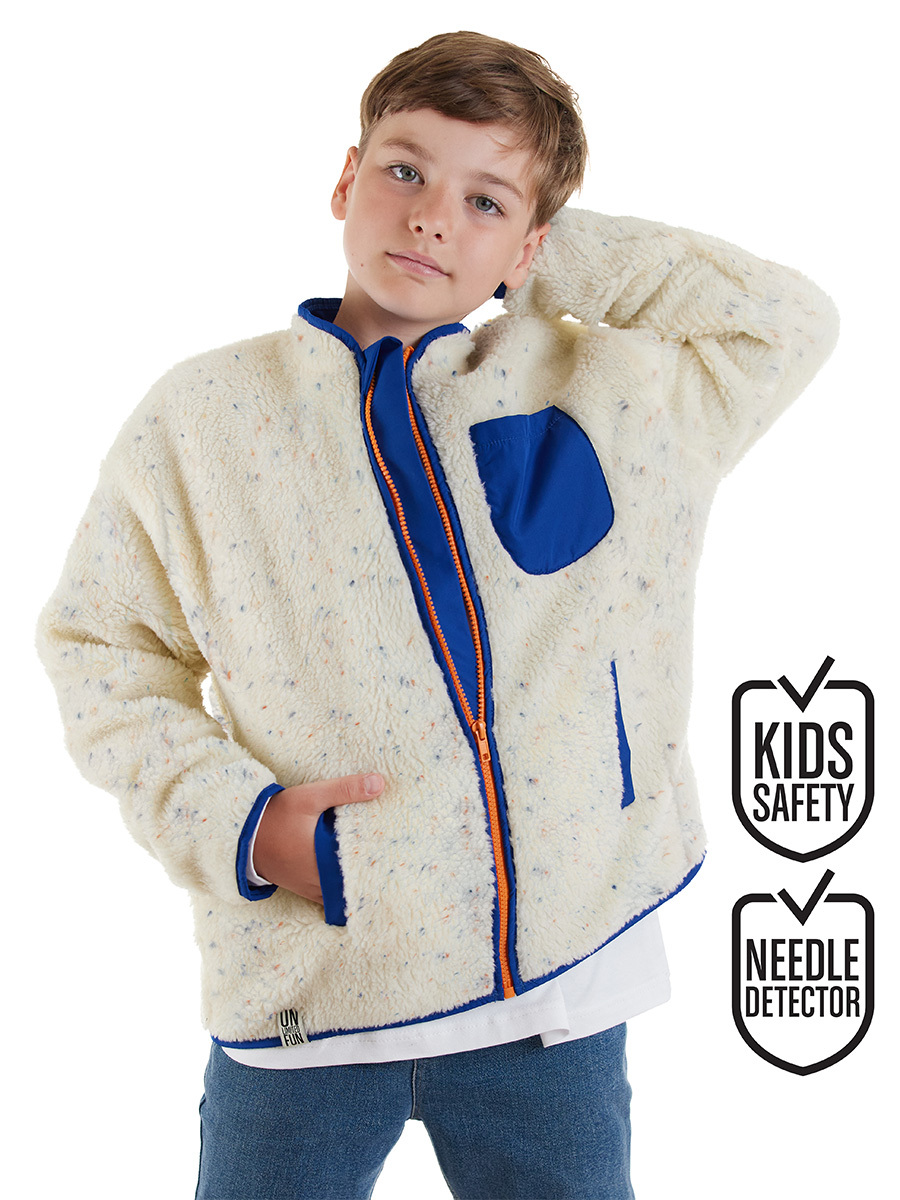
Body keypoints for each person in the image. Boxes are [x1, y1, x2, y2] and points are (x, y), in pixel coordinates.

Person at [35, 29, 839, 1200]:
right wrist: (243, 826)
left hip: (558, 1003)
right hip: (314, 996)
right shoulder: (203, 421)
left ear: (532, 242)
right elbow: (99, 644)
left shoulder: (610, 396)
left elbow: (787, 320)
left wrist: (543, 254)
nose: (429, 219)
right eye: (404, 171)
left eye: (483, 200)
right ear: (344, 178)